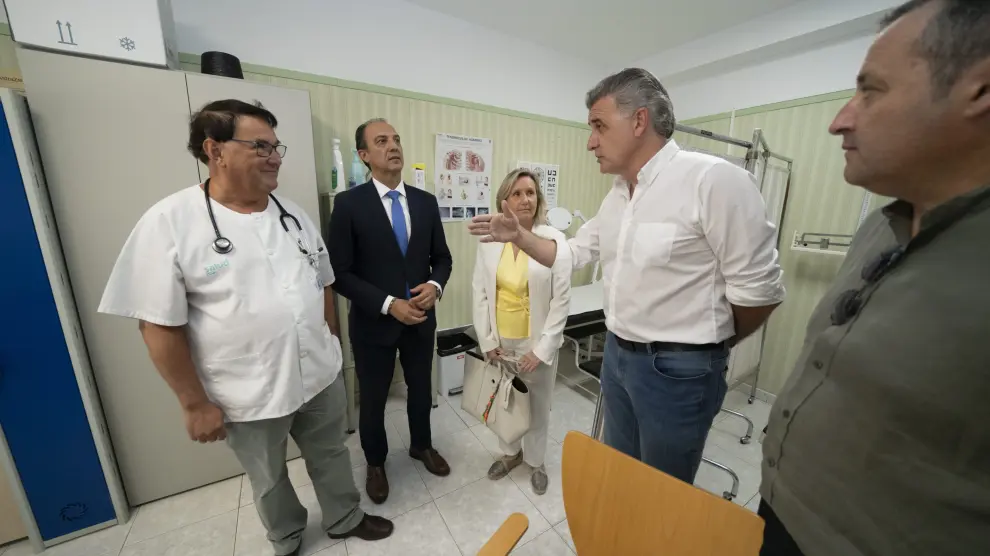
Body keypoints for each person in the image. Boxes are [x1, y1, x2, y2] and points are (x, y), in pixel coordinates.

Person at [98, 100, 392, 556]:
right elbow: (157, 324)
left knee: (331, 454)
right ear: (215, 151)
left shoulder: (293, 214)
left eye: (277, 147)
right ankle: (288, 536)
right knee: (268, 474)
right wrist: (194, 403)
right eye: (261, 146)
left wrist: (330, 337)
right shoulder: (169, 222)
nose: (275, 156)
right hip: (246, 391)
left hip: (319, 374)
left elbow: (324, 282)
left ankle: (344, 517)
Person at [469, 68, 785, 484]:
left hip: (678, 369)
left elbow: (760, 293)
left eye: (599, 126)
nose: (590, 141)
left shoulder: (713, 181)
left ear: (639, 121)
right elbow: (574, 252)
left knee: (661, 488)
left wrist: (704, 350)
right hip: (618, 358)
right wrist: (520, 237)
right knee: (623, 476)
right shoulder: (619, 195)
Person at [759, 2, 990, 555]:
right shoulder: (879, 229)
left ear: (979, 92)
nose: (840, 119)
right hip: (779, 512)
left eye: (871, 90)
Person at [327, 118, 453, 504]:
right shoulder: (348, 205)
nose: (393, 146)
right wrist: (387, 304)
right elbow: (339, 274)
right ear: (364, 155)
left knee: (420, 390)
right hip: (372, 325)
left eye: (396, 139)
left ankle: (421, 445)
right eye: (381, 141)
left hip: (420, 321)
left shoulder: (425, 202)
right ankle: (377, 463)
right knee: (374, 398)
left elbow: (442, 259)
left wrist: (434, 286)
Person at [471, 169, 571, 495]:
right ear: (505, 200)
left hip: (536, 339)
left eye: (530, 192)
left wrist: (541, 350)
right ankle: (510, 453)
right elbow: (481, 293)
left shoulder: (553, 240)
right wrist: (487, 341)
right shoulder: (490, 241)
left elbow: (561, 301)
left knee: (538, 404)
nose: (525, 199)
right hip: (502, 339)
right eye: (517, 193)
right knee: (506, 400)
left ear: (538, 198)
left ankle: (536, 461)